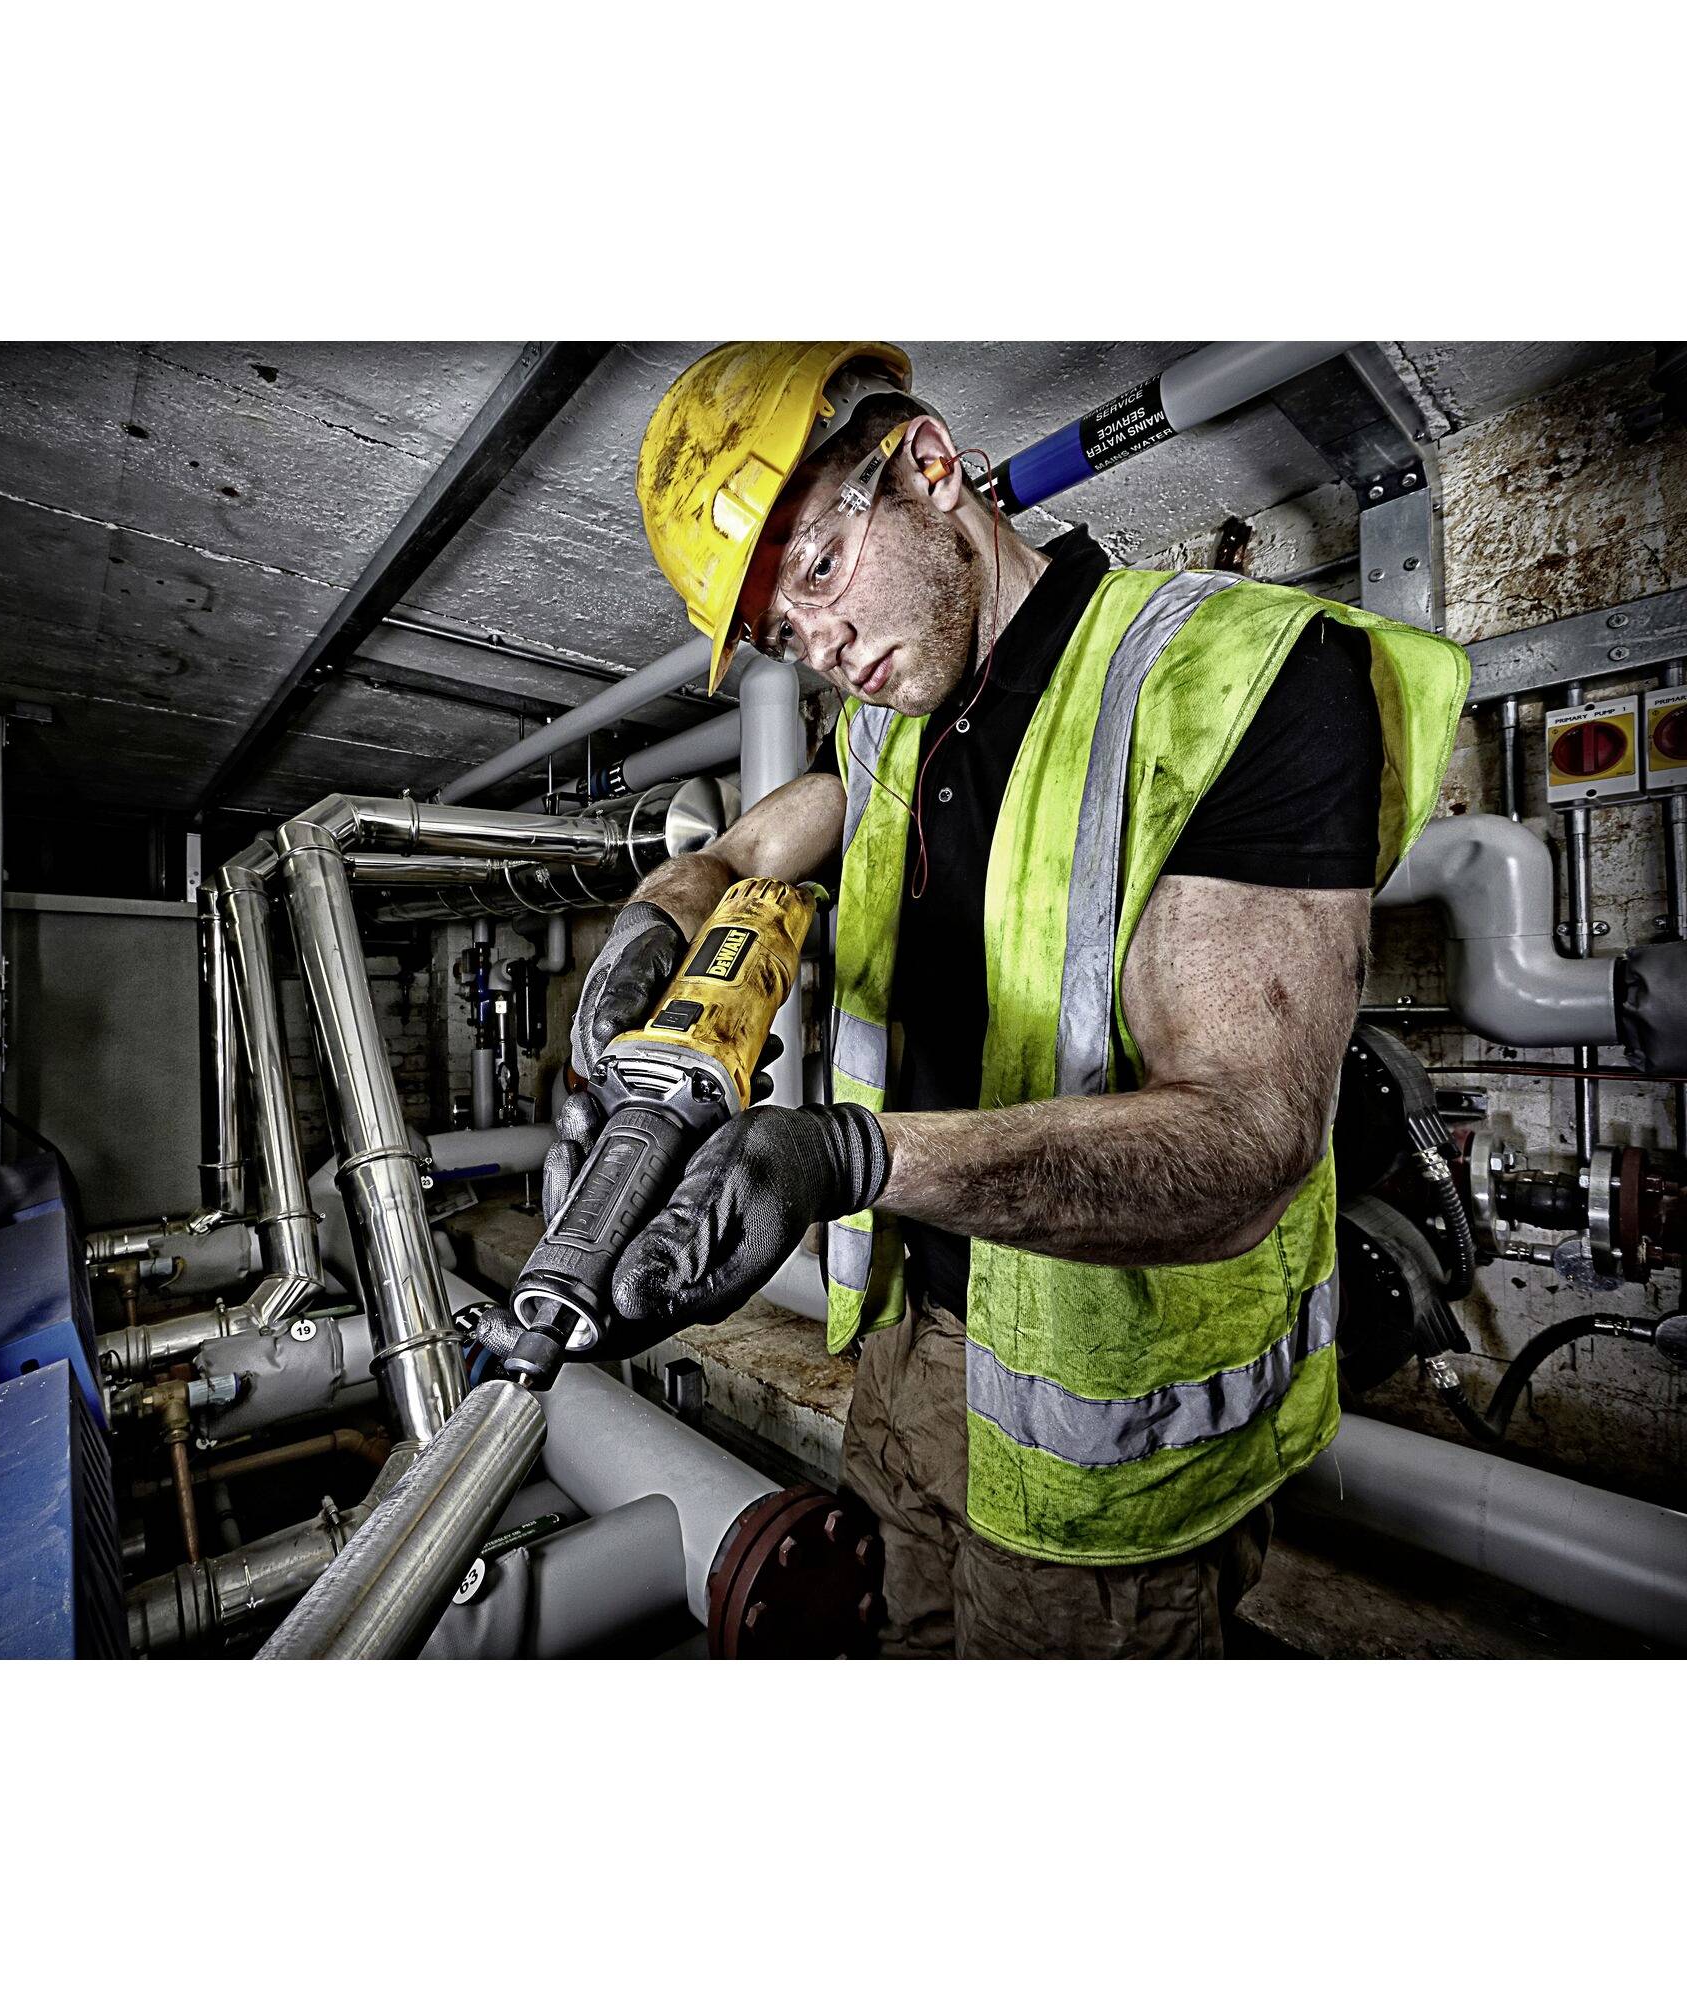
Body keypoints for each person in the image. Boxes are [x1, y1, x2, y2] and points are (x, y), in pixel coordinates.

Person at [482, 342, 1469, 1658]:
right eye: (783, 632)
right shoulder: (893, 724)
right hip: (911, 1354)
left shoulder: (1237, 683)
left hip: (1110, 1454)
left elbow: (1246, 1141)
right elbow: (731, 855)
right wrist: (648, 941)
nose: (821, 645)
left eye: (820, 572)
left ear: (932, 468)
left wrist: (840, 1155)